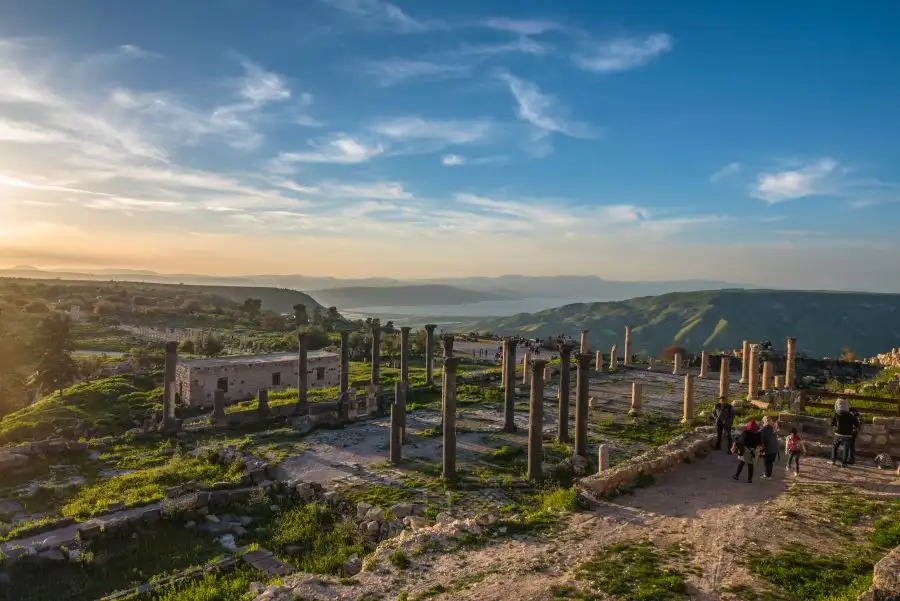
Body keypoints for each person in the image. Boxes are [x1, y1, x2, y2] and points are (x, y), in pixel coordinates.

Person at [831, 398, 856, 467]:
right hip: (848, 434)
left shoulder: (836, 414)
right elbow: (857, 424)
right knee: (846, 448)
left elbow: (832, 424)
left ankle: (833, 461)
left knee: (835, 446)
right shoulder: (851, 415)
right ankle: (844, 463)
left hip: (838, 433)